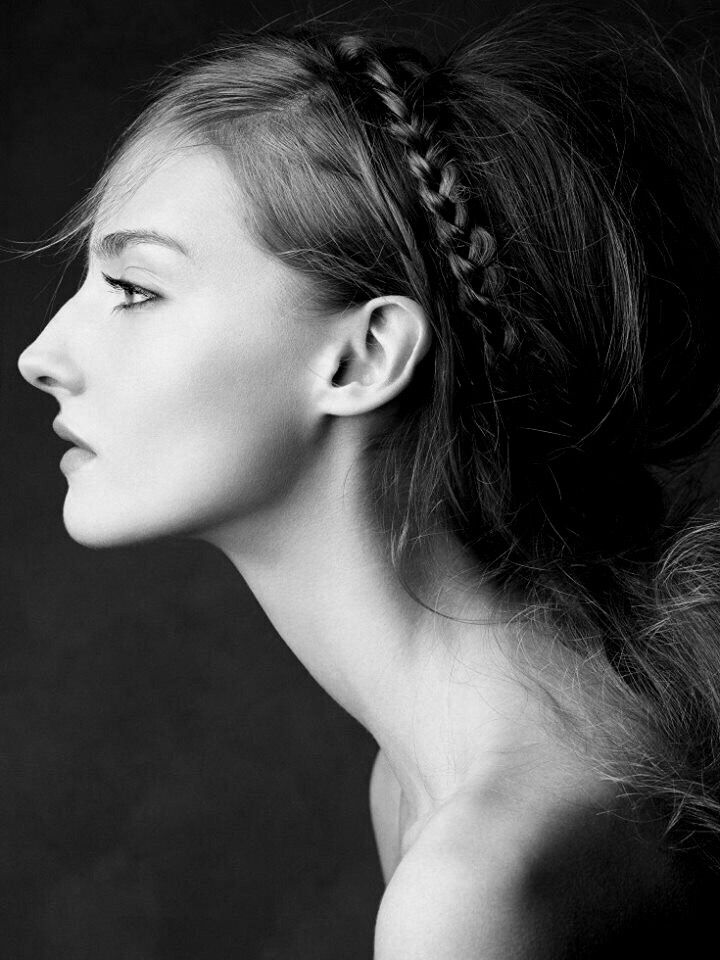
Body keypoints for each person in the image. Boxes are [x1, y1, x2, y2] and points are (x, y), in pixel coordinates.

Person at [16, 2, 720, 955]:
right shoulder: (425, 777)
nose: (40, 354)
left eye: (136, 289)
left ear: (364, 358)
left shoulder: (480, 888)